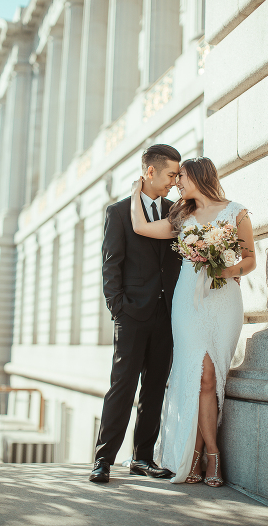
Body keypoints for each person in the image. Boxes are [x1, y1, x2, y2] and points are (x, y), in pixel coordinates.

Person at [128, 156, 255, 486]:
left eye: (181, 177)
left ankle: (201, 455)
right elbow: (141, 227)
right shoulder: (180, 215)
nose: (176, 183)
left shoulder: (236, 212)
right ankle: (208, 455)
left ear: (198, 176)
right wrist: (135, 191)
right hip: (187, 302)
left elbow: (250, 259)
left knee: (211, 377)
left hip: (223, 298)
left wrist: (223, 268)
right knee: (198, 377)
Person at [90, 144, 183, 484]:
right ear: (150, 172)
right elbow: (110, 266)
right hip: (131, 316)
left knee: (155, 388)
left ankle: (142, 458)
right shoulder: (117, 212)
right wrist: (119, 309)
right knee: (121, 387)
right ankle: (103, 460)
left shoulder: (177, 212)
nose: (175, 181)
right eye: (171, 174)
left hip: (168, 315)